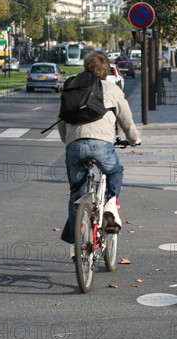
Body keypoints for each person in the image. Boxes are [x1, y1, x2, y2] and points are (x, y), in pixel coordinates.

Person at [58, 51, 141, 248]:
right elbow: (126, 119)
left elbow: (62, 119)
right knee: (115, 171)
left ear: (85, 68)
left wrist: (68, 141)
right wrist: (134, 139)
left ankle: (76, 241)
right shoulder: (112, 89)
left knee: (76, 193)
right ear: (106, 71)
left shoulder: (71, 87)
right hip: (102, 144)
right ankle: (111, 204)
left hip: (74, 145)